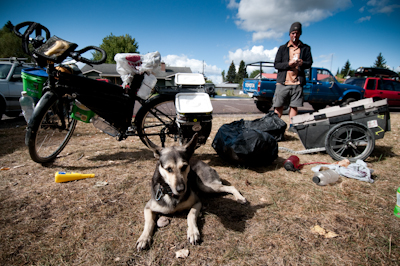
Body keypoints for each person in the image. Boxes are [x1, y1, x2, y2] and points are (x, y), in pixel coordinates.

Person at [273, 22, 313, 133]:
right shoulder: (282, 48)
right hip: (283, 82)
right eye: (293, 33)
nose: (295, 36)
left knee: (294, 106)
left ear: (300, 34)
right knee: (278, 105)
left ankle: (292, 127)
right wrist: (288, 64)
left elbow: (309, 63)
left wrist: (302, 63)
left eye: (297, 33)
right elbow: (276, 65)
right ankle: (276, 127)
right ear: (289, 34)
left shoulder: (305, 48)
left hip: (297, 82)